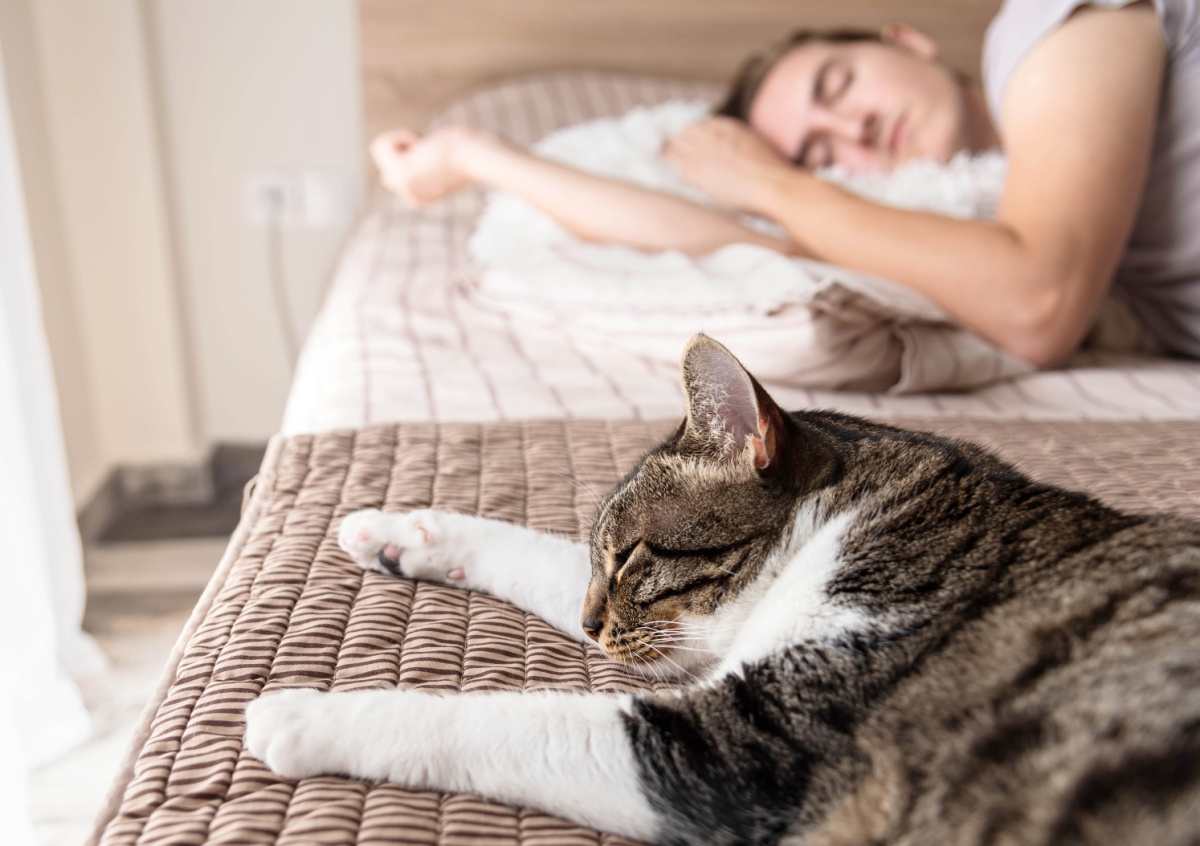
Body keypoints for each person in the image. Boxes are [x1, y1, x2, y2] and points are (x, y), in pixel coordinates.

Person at [370, 0, 1199, 368]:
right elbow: (745, 244)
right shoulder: (939, 225)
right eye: (819, 153)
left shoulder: (1045, 33)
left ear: (905, 41)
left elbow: (1036, 303)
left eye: (839, 84)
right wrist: (479, 156)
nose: (854, 131)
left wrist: (776, 181)